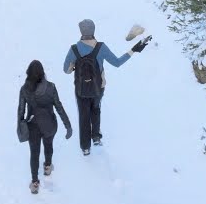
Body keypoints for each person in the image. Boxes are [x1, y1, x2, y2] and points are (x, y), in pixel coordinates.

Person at [62, 19, 148, 156]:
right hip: (98, 88)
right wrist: (134, 50)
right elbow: (117, 63)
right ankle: (96, 137)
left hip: (81, 90)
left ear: (81, 32)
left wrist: (74, 66)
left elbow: (66, 70)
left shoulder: (74, 49)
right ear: (93, 31)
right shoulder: (101, 47)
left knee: (84, 116)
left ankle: (85, 147)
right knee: (95, 110)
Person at [17, 60, 72, 194]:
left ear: (28, 73)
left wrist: (20, 126)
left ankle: (35, 182)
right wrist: (67, 125)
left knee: (34, 153)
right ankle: (47, 167)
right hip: (50, 124)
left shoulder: (24, 89)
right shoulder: (51, 87)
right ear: (42, 72)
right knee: (48, 145)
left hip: (33, 126)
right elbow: (59, 107)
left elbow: (21, 110)